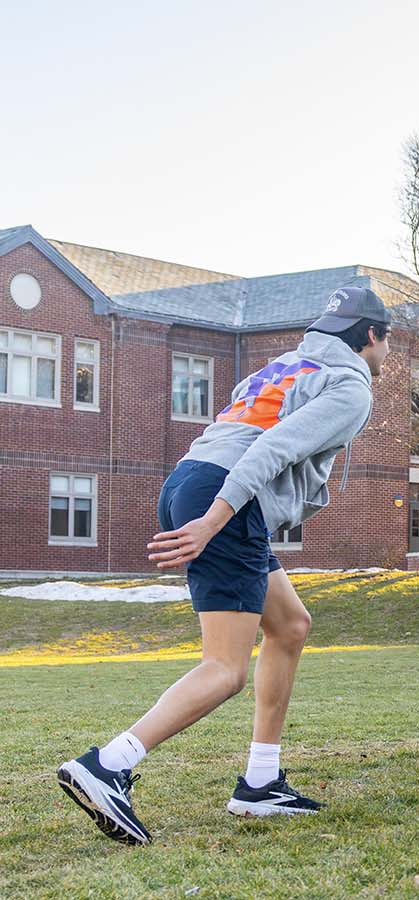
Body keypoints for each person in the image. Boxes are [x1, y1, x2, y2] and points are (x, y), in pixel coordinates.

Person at [56, 286, 392, 845]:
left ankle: (260, 783)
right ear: (372, 336)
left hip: (192, 476)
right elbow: (270, 450)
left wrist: (212, 507)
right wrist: (215, 519)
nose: (386, 355)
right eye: (388, 342)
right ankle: (108, 764)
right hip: (228, 496)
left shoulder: (288, 361)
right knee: (225, 668)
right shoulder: (351, 384)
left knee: (290, 626)